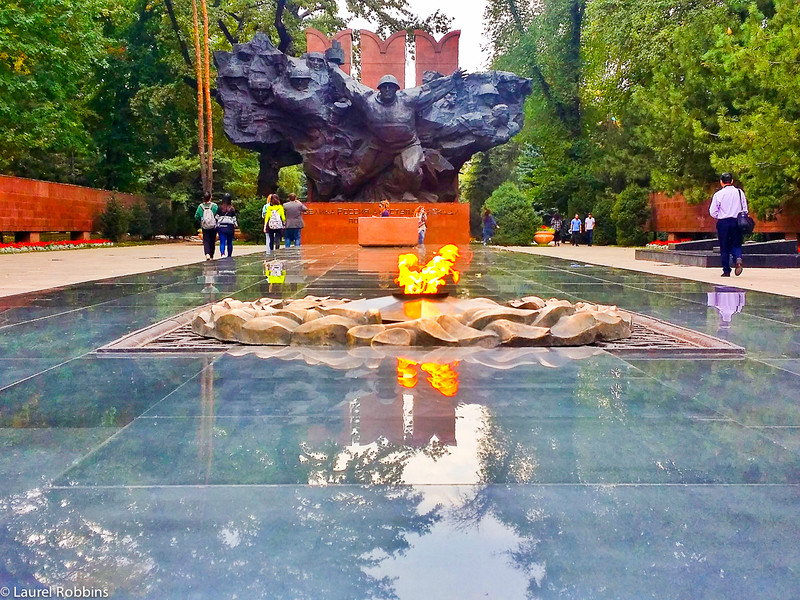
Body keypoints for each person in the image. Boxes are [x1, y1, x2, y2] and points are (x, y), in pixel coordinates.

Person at [709, 172, 747, 277]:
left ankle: (726, 270)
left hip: (723, 222)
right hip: (736, 221)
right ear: (732, 181)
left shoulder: (718, 194)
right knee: (736, 243)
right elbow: (745, 209)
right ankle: (738, 259)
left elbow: (712, 211)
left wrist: (720, 215)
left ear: (721, 182)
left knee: (724, 246)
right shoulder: (739, 192)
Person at [194, 191, 218, 260]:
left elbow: (196, 216)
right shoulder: (214, 206)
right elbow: (218, 214)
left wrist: (201, 220)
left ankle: (207, 253)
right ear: (210, 197)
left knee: (206, 240)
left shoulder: (200, 207)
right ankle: (211, 256)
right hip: (213, 226)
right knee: (212, 241)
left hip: (205, 226)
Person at [216, 193, 238, 258]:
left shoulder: (220, 208)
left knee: (222, 242)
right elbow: (234, 219)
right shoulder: (232, 209)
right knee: (229, 242)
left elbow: (216, 217)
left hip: (222, 227)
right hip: (230, 227)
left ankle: (222, 254)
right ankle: (229, 255)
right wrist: (236, 225)